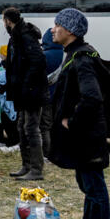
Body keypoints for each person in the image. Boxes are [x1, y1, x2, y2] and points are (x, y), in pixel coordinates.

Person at [48, 8, 110, 219]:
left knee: (95, 190)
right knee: (88, 186)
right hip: (85, 137)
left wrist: (72, 122)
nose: (52, 29)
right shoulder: (76, 53)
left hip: (87, 137)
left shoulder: (82, 59)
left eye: (57, 25)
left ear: (70, 31)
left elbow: (92, 97)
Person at [2, 7, 49, 181]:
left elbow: (38, 61)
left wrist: (27, 84)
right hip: (22, 91)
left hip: (31, 92)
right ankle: (26, 165)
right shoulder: (16, 36)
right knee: (22, 126)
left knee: (31, 128)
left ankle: (36, 169)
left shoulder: (25, 35)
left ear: (7, 20)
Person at [40, 28, 64, 159]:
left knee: (44, 126)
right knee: (54, 125)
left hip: (46, 95)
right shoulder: (63, 53)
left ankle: (46, 154)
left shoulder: (45, 55)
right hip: (58, 96)